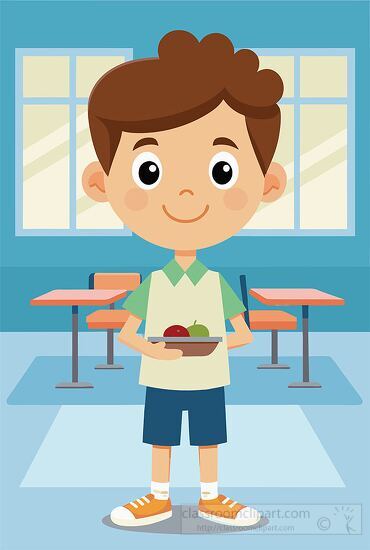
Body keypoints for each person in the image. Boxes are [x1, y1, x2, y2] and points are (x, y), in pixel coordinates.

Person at [83, 30, 286, 527]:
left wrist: (216, 344)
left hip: (209, 374)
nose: (187, 197)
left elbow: (242, 331)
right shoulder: (155, 282)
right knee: (161, 437)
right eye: (148, 171)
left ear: (268, 184)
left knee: (209, 437)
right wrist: (154, 349)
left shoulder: (215, 283)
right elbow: (130, 329)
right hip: (160, 376)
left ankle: (212, 495)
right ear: (101, 183)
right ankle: (157, 495)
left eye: (223, 171)